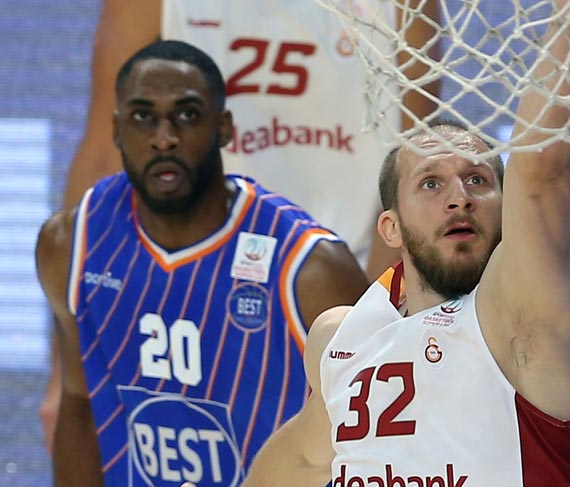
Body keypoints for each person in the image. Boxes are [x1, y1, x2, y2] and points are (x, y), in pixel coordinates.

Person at [40, 0, 440, 452]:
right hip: (200, 284)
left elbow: (408, 174)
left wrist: (372, 325)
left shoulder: (405, 7)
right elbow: (103, 152)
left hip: (337, 282)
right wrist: (65, 373)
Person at [241, 0, 570, 485]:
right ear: (391, 227)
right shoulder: (342, 337)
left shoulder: (523, 317)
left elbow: (542, 172)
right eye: (431, 183)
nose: (459, 197)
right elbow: (303, 460)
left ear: (506, 210)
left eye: (477, 180)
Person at [35, 39, 369, 486]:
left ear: (224, 128)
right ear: (116, 129)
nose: (164, 138)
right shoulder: (72, 245)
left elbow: (377, 439)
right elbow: (79, 401)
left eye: (188, 115)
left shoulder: (311, 269)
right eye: (142, 117)